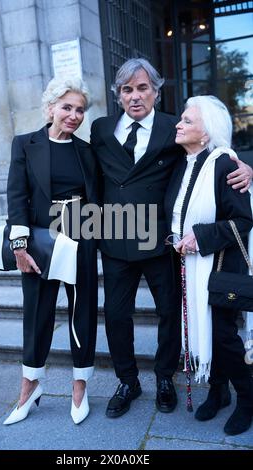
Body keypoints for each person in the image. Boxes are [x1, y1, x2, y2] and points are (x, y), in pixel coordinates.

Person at [90, 58, 253, 418]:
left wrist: (247, 168)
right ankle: (127, 381)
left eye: (143, 88)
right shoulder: (100, 129)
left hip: (161, 241)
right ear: (118, 95)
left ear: (156, 92)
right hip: (114, 238)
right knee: (116, 315)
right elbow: (85, 174)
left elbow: (213, 155)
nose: (135, 96)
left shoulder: (173, 127)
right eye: (127, 89)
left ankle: (165, 377)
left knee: (169, 312)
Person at [4, 77, 98, 426]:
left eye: (80, 110)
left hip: (82, 236)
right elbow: (17, 196)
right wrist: (19, 245)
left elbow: (97, 198)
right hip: (41, 240)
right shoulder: (25, 144)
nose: (74, 115)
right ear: (50, 108)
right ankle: (30, 385)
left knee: (82, 313)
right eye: (67, 107)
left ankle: (80, 385)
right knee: (37, 314)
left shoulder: (86, 151)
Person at [164, 95, 253, 436]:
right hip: (187, 264)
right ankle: (218, 393)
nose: (179, 124)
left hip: (218, 266)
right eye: (181, 119)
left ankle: (247, 399)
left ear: (206, 132)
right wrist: (174, 237)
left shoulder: (225, 163)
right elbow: (177, 214)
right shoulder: (181, 163)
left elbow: (243, 219)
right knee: (207, 334)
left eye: (187, 121)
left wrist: (198, 237)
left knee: (223, 337)